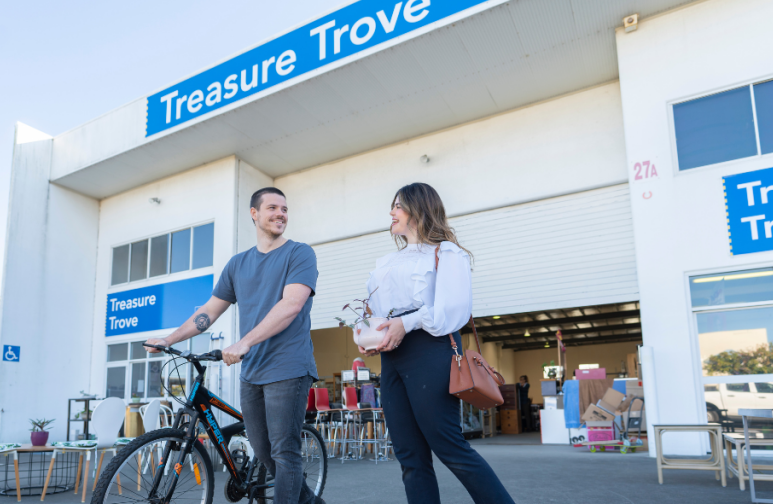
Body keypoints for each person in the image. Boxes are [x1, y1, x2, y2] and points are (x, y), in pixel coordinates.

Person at [145, 187, 324, 504]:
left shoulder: (299, 253)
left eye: (284, 208)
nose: (280, 213)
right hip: (252, 371)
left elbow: (291, 305)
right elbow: (209, 311)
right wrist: (168, 339)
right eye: (272, 207)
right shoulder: (237, 264)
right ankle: (311, 502)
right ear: (254, 214)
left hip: (288, 367)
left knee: (284, 452)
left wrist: (243, 343)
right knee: (266, 453)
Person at [360, 182, 515, 504]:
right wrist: (367, 335)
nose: (391, 212)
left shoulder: (446, 253)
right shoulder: (388, 262)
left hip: (431, 350)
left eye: (398, 206)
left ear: (419, 211)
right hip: (392, 357)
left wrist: (407, 322)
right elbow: (376, 311)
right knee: (408, 454)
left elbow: (453, 311)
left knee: (448, 445)